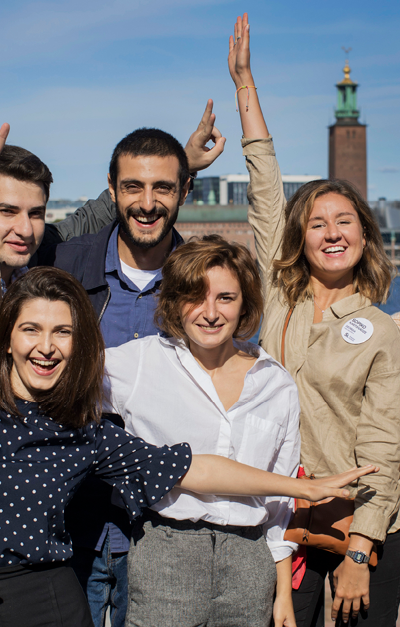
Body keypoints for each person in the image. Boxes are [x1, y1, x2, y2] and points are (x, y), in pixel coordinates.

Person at [0, 265, 374, 627]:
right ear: (8, 336)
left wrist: (303, 489)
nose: (46, 347)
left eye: (62, 333)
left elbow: (194, 468)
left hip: (50, 596)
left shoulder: (84, 432)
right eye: (31, 329)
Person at [228, 13, 400, 626]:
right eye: (317, 223)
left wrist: (362, 547)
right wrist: (245, 84)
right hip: (284, 517)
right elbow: (265, 185)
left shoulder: (383, 331)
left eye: (344, 221)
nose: (330, 233)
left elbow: (385, 446)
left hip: (359, 520)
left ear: (364, 234)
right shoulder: (281, 294)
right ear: (300, 237)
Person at [41, 126, 217, 626]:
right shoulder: (63, 265)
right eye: (133, 187)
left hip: (163, 524)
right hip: (69, 518)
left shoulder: (202, 282)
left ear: (185, 191)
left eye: (163, 188)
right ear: (113, 191)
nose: (147, 202)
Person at [103, 235, 299, 627]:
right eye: (195, 296)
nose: (210, 312)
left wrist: (283, 596)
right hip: (167, 554)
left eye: (225, 298)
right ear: (175, 301)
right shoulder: (139, 363)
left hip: (249, 563)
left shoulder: (276, 384)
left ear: (245, 303)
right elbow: (58, 386)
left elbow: (281, 498)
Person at [0, 105, 225, 325]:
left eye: (36, 213)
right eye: (7, 211)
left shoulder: (45, 251)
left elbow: (120, 202)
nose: (24, 229)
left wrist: (178, 163)